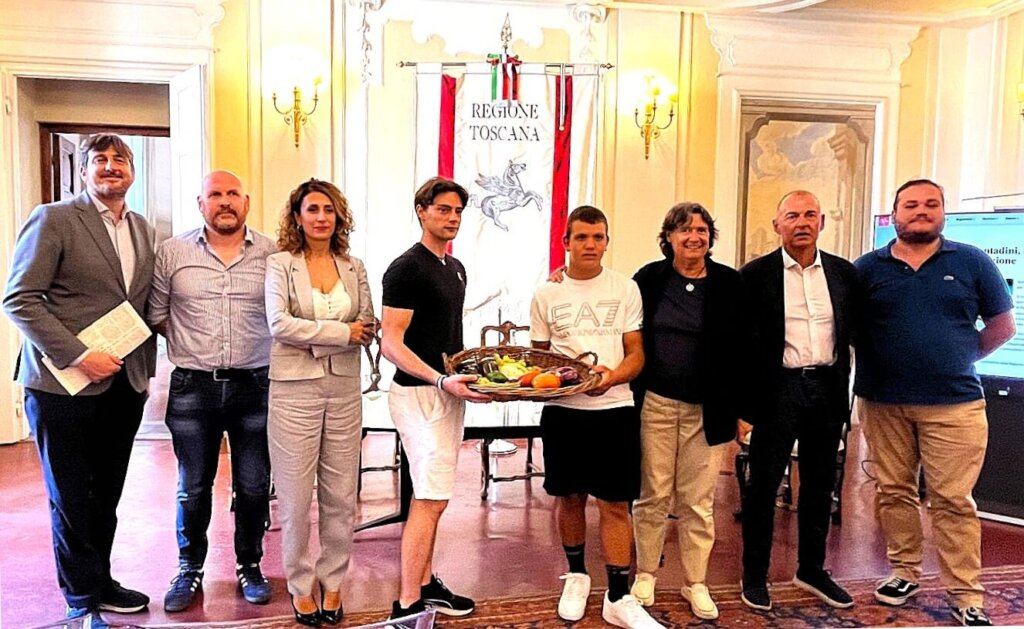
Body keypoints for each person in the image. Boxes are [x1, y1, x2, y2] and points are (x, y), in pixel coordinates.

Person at [3, 134, 156, 628]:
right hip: (60, 385)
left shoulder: (142, 228)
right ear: (83, 171)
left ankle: (102, 581)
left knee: (106, 494)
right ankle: (81, 599)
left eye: (120, 160)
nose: (111, 167)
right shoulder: (54, 218)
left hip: (123, 383)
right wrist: (78, 355)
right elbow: (19, 299)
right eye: (100, 160)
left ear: (131, 171)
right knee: (70, 496)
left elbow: (138, 303)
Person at [855, 179, 1015, 627]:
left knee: (953, 500)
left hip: (954, 405)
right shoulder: (867, 268)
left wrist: (956, 357)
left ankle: (966, 594)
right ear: (895, 214)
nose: (921, 211)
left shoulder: (971, 261)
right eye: (911, 205)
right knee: (894, 492)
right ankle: (904, 572)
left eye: (931, 204)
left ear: (943, 211)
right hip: (883, 402)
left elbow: (1003, 326)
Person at [148, 170, 277, 613]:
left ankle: (250, 565)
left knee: (254, 485)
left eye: (233, 194)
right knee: (193, 487)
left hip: (256, 385)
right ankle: (189, 568)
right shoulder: (172, 252)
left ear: (247, 202)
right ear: (200, 204)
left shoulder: (273, 254)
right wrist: (195, 345)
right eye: (215, 194)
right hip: (193, 388)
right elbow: (157, 313)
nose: (225, 201)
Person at [531, 205, 662, 629]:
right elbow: (538, 359)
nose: (590, 244)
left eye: (598, 237)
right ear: (566, 243)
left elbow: (636, 354)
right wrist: (560, 381)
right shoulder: (546, 293)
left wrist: (610, 377)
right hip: (563, 413)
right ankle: (576, 577)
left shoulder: (625, 288)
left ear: (607, 241)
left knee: (615, 504)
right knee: (569, 498)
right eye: (582, 237)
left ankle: (618, 596)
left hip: (614, 410)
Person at [738, 191, 860, 611]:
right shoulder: (755, 276)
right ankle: (754, 576)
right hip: (777, 391)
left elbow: (858, 329)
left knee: (820, 485)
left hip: (827, 388)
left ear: (822, 223)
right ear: (777, 224)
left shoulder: (844, 274)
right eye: (792, 215)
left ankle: (812, 569)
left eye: (810, 215)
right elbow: (738, 345)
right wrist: (742, 408)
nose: (802, 222)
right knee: (763, 486)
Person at [628, 202, 749, 621]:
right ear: (669, 238)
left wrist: (743, 410)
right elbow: (618, 314)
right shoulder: (649, 279)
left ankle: (695, 581)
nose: (693, 237)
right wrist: (564, 275)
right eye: (684, 230)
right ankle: (646, 573)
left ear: (710, 237)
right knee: (652, 495)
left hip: (709, 409)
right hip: (656, 404)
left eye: (701, 230)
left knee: (698, 501)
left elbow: (745, 350)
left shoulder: (730, 283)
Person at [265, 179, 375, 626]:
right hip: (293, 391)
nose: (321, 217)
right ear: (297, 217)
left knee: (341, 496)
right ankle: (299, 584)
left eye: (329, 210)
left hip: (344, 389)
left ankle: (333, 581)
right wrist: (340, 334)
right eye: (312, 209)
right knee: (295, 498)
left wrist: (338, 335)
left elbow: (366, 324)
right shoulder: (280, 264)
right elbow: (278, 324)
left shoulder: (353, 266)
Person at [380, 177, 489, 620]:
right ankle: (407, 607)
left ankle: (426, 584)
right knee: (429, 499)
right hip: (419, 396)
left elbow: (445, 339)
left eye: (458, 211)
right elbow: (391, 343)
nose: (452, 218)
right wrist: (441, 381)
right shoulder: (406, 268)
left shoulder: (455, 267)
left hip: (447, 394)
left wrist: (467, 377)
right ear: (421, 210)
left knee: (434, 497)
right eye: (443, 209)